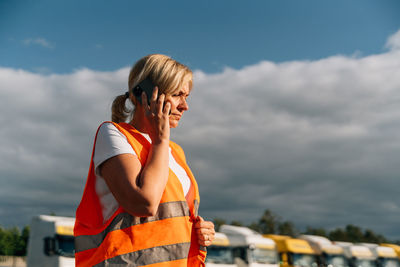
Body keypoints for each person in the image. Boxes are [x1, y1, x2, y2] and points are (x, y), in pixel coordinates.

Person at [74, 54, 215, 266]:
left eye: (187, 97)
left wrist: (201, 232)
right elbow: (145, 203)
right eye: (177, 95)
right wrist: (160, 140)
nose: (184, 106)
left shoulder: (175, 152)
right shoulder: (114, 134)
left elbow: (167, 220)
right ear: (145, 94)